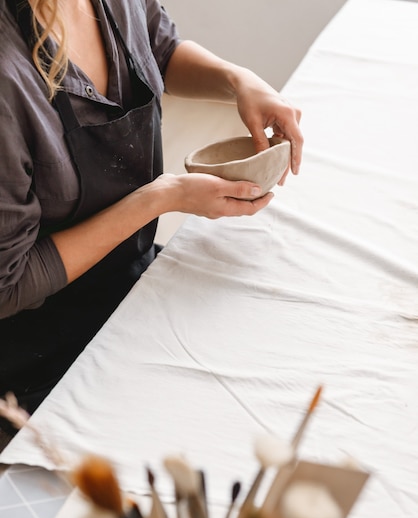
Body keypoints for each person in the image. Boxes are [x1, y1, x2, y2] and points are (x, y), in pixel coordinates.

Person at [0, 0, 303, 417]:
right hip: (42, 351)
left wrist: (238, 80)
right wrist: (163, 197)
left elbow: (157, 49)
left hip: (131, 284)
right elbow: (8, 285)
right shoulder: (7, 77)